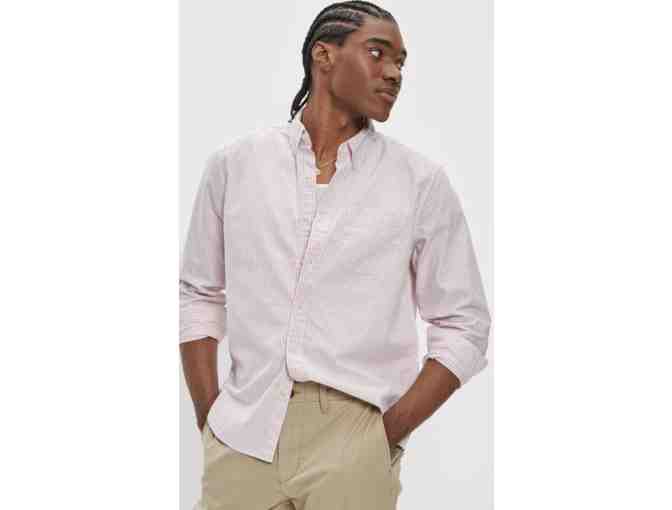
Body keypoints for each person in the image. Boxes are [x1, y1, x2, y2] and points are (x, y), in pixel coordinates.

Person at [179, 1, 491, 508]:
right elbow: (198, 293)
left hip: (353, 438)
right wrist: (209, 418)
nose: (394, 73)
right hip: (243, 433)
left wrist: (383, 436)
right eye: (377, 53)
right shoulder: (235, 166)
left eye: (401, 63)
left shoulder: (419, 184)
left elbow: (465, 324)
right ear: (323, 56)